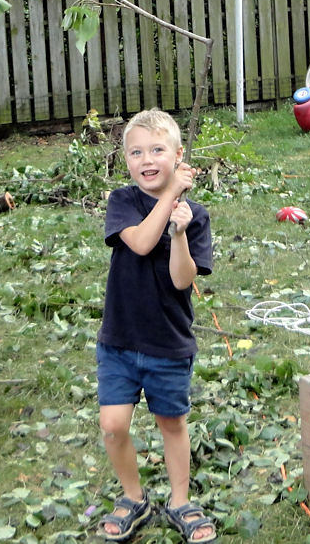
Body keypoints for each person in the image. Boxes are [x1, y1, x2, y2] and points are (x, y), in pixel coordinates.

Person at [96, 108, 216, 543]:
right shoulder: (123, 202)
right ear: (126, 160)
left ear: (178, 155)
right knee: (113, 425)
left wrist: (180, 233)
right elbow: (143, 243)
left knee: (171, 423)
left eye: (157, 150)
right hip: (120, 341)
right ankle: (134, 497)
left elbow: (183, 280)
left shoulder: (194, 215)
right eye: (136, 152)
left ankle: (181, 501)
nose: (146, 159)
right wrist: (169, 199)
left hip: (168, 342)